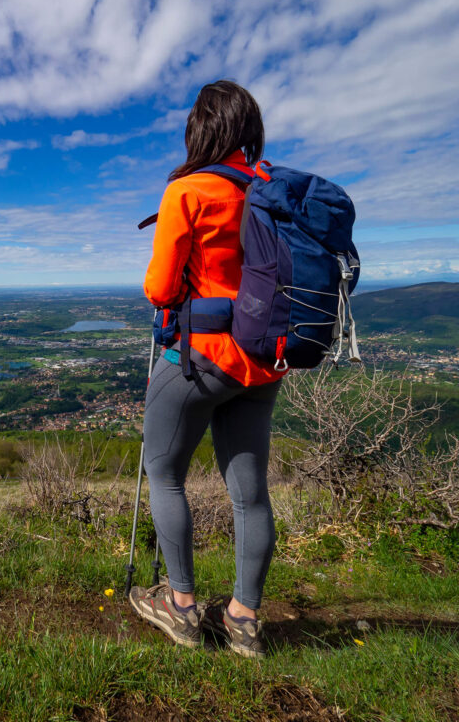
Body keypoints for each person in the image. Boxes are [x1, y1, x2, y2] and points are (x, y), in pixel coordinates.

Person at [127, 80, 287, 659]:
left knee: (163, 470)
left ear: (201, 129)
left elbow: (161, 287)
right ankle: (244, 619)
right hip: (264, 363)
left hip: (201, 359)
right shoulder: (271, 191)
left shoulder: (188, 190)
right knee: (250, 493)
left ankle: (182, 606)